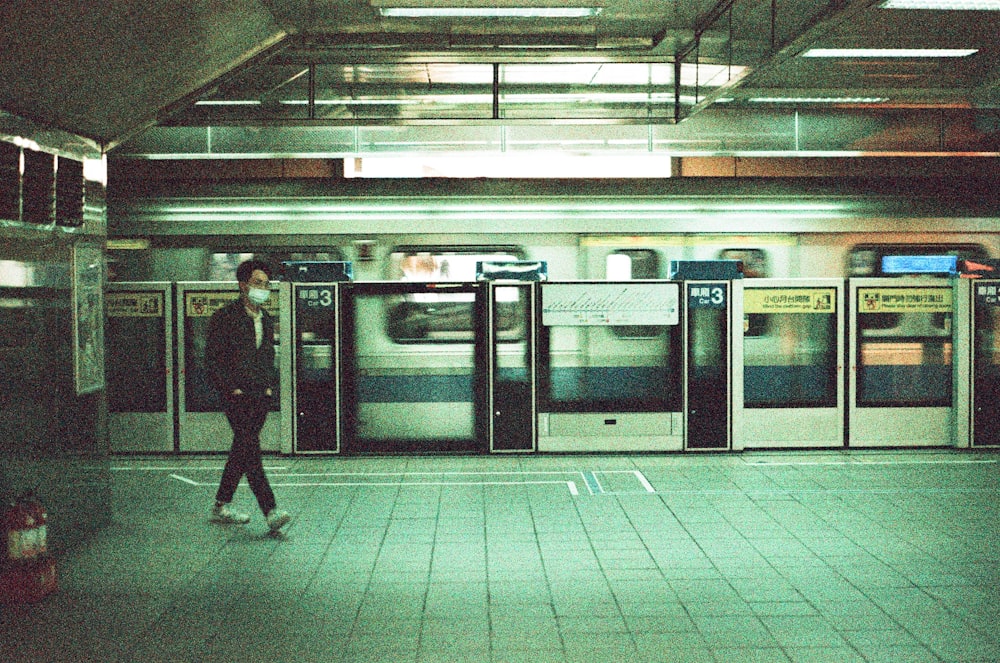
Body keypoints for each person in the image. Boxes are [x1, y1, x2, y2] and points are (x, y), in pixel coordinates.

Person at [205, 259, 290, 532]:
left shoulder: (265, 318)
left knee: (243, 448)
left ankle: (221, 505)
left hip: (258, 395)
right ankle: (270, 510)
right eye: (257, 283)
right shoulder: (225, 317)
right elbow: (214, 358)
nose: (263, 288)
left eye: (266, 284)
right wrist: (231, 388)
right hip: (236, 395)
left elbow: (267, 355)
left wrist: (268, 388)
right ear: (243, 285)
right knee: (249, 449)